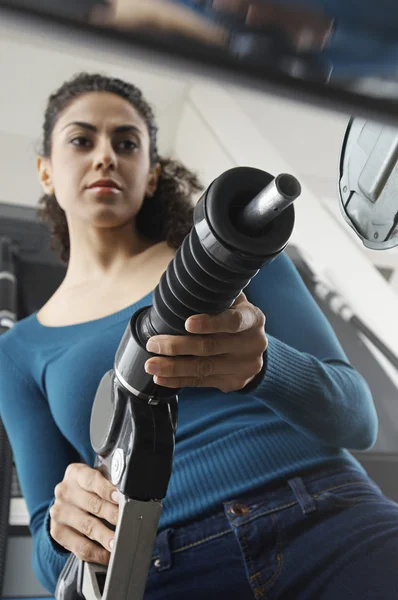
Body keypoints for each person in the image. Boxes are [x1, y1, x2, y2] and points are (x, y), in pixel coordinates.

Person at [0, 72, 397, 600]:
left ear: (152, 172)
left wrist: (264, 367)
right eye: (81, 140)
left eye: (127, 143)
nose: (105, 157)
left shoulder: (240, 263)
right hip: (161, 570)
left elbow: (358, 421)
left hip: (334, 524)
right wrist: (65, 525)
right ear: (45, 171)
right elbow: (54, 568)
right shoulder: (17, 352)